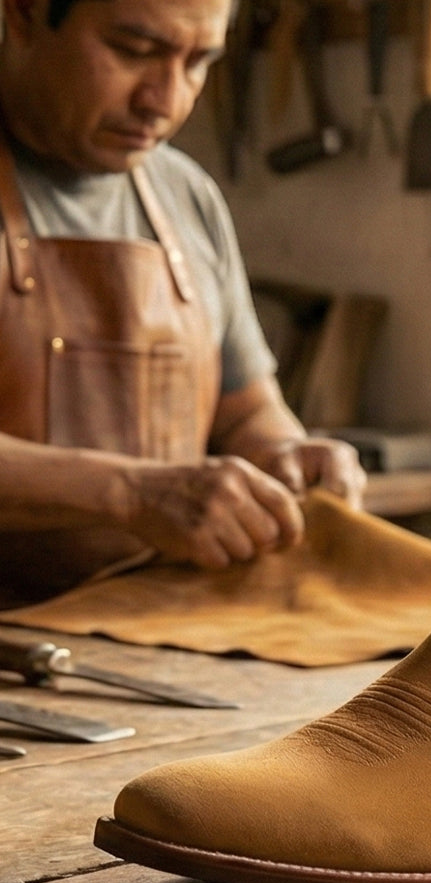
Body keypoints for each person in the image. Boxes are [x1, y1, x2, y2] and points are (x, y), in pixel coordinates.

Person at [0, 0, 366, 612]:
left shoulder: (184, 193)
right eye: (134, 51)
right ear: (25, 15)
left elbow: (246, 412)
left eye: (198, 62)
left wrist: (287, 458)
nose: (165, 101)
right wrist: (131, 495)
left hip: (153, 631)